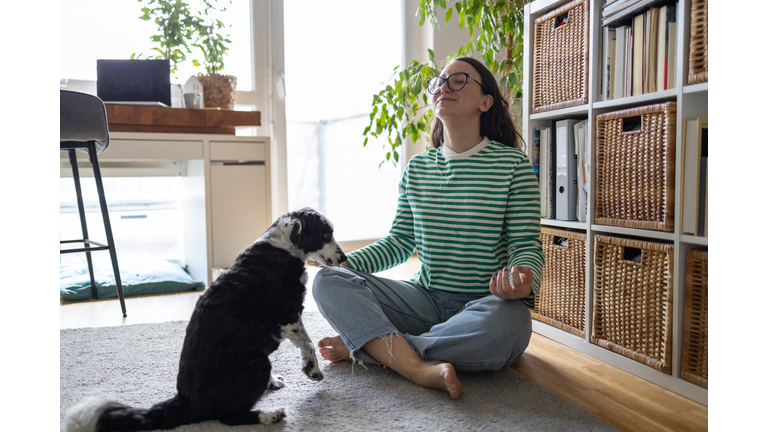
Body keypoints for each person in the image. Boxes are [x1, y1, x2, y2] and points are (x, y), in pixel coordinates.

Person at [311, 57, 543, 400]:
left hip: (483, 304)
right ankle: (414, 364)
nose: (444, 86)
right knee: (328, 282)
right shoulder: (418, 167)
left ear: (485, 102)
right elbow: (400, 242)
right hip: (422, 302)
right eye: (440, 81)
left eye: (459, 79)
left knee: (512, 322)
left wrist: (524, 279)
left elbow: (526, 244)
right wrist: (344, 263)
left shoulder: (512, 165)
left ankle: (376, 349)